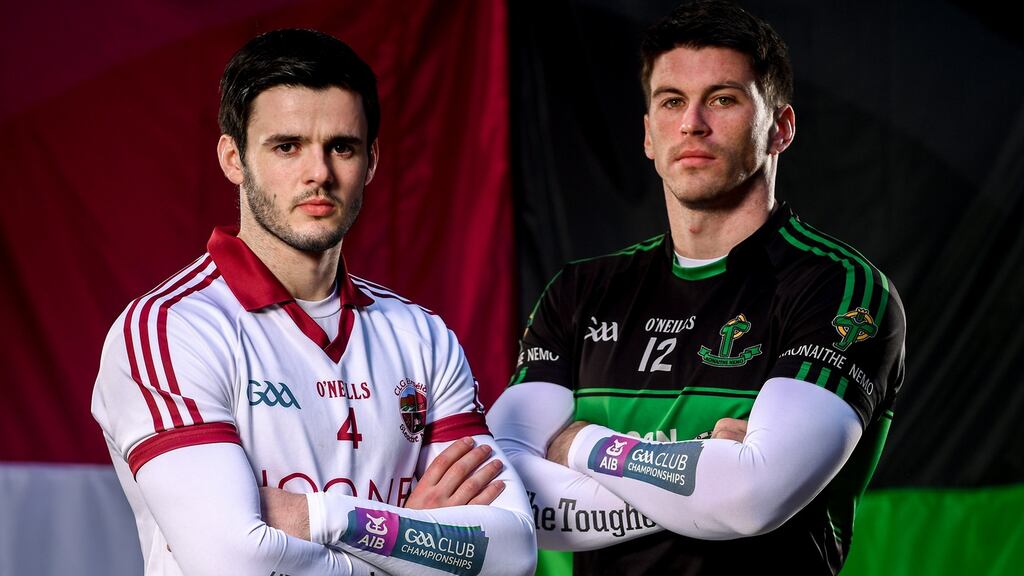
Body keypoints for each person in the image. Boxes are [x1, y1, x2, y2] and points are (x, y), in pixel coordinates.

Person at [92, 29, 536, 576]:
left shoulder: (422, 335)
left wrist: (321, 517)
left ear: (371, 161)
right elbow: (233, 563)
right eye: (287, 146)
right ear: (233, 157)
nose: (319, 174)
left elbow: (512, 550)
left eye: (341, 147)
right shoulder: (170, 329)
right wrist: (406, 536)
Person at [487, 1, 906, 574]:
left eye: (724, 99)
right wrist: (705, 478)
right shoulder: (579, 291)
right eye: (672, 102)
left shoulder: (839, 288)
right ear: (647, 135)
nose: (692, 123)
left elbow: (752, 502)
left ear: (779, 128)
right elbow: (502, 499)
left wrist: (580, 445)